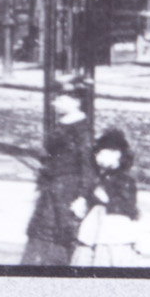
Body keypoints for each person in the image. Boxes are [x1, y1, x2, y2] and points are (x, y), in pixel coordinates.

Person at [21, 85, 96, 266]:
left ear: (76, 102)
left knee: (63, 233)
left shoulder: (82, 130)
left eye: (61, 99)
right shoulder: (63, 123)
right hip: (52, 188)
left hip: (68, 189)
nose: (55, 103)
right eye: (56, 99)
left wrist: (82, 196)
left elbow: (88, 165)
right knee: (42, 232)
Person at [78, 129, 141, 267]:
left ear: (117, 154)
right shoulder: (103, 177)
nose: (98, 157)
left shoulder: (125, 180)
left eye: (102, 153)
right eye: (97, 153)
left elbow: (128, 207)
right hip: (99, 229)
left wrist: (106, 200)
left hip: (115, 233)